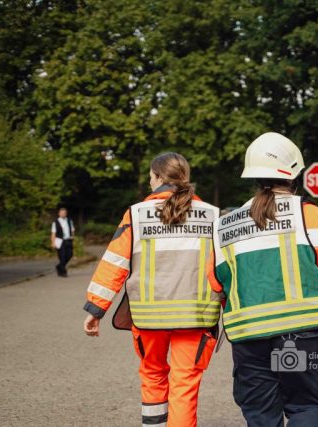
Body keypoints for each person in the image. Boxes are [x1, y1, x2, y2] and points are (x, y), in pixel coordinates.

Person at [212, 132, 318, 427]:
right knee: (305, 406)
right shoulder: (309, 215)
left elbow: (217, 284)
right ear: (294, 175)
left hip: (249, 338)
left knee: (261, 414)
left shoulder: (223, 225)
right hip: (299, 337)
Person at [82, 152, 221, 427]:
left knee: (153, 374)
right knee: (185, 383)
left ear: (157, 177)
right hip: (196, 316)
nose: (149, 181)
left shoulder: (136, 214)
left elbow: (115, 262)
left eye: (150, 176)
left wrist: (95, 309)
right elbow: (223, 267)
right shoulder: (212, 215)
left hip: (148, 317)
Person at [51, 207, 75, 277]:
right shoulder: (55, 222)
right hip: (60, 241)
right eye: (62, 213)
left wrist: (73, 236)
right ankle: (63, 272)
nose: (63, 214)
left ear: (66, 214)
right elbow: (53, 233)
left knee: (70, 254)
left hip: (68, 240)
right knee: (62, 256)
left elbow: (72, 230)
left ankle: (59, 266)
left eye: (64, 213)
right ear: (59, 214)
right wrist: (53, 242)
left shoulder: (69, 221)